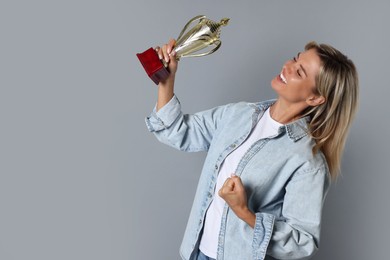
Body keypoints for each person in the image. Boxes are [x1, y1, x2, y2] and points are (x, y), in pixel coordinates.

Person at [145, 38, 359, 260]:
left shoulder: (307, 161)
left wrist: (244, 212)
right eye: (295, 59)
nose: (287, 67)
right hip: (196, 253)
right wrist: (166, 82)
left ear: (314, 98)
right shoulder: (238, 114)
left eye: (300, 72)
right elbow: (177, 132)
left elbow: (302, 242)